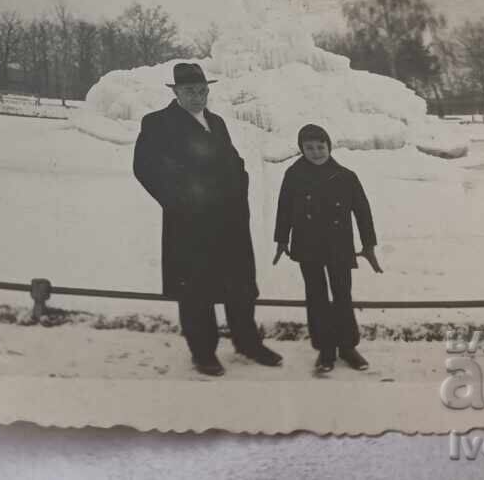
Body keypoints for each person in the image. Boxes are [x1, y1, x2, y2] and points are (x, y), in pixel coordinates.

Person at [133, 63, 283, 376]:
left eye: (202, 90)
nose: (197, 96)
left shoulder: (216, 122)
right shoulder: (158, 123)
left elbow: (234, 162)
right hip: (190, 223)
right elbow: (145, 168)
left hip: (229, 220)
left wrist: (239, 192)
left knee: (240, 285)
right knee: (196, 289)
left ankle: (247, 342)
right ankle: (203, 353)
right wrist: (181, 203)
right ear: (176, 92)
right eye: (190, 91)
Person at [273, 124, 383, 373]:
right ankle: (325, 349)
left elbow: (363, 212)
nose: (316, 152)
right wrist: (281, 240)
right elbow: (284, 209)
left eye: (320, 147)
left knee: (342, 294)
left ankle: (347, 347)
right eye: (309, 148)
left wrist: (368, 245)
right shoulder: (294, 175)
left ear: (329, 146)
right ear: (301, 149)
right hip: (307, 245)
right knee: (316, 296)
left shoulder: (345, 176)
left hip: (338, 245)